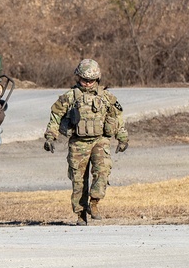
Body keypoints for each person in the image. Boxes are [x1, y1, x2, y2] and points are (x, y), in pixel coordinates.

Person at [43, 59, 129, 225]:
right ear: (78, 78)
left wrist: (122, 138)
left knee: (102, 172)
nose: (88, 84)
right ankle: (80, 213)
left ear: (97, 80)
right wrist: (50, 137)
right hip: (78, 143)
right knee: (78, 180)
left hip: (100, 141)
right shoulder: (69, 97)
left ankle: (94, 203)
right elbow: (55, 117)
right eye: (84, 80)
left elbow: (117, 118)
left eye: (91, 81)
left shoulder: (106, 97)